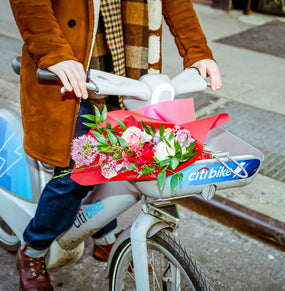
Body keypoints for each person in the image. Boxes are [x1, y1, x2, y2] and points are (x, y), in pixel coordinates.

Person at [9, 0, 222, 290]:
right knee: (75, 175)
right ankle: (32, 250)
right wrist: (53, 52)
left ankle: (105, 237)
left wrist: (197, 50)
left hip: (128, 70)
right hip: (72, 73)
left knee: (120, 161)